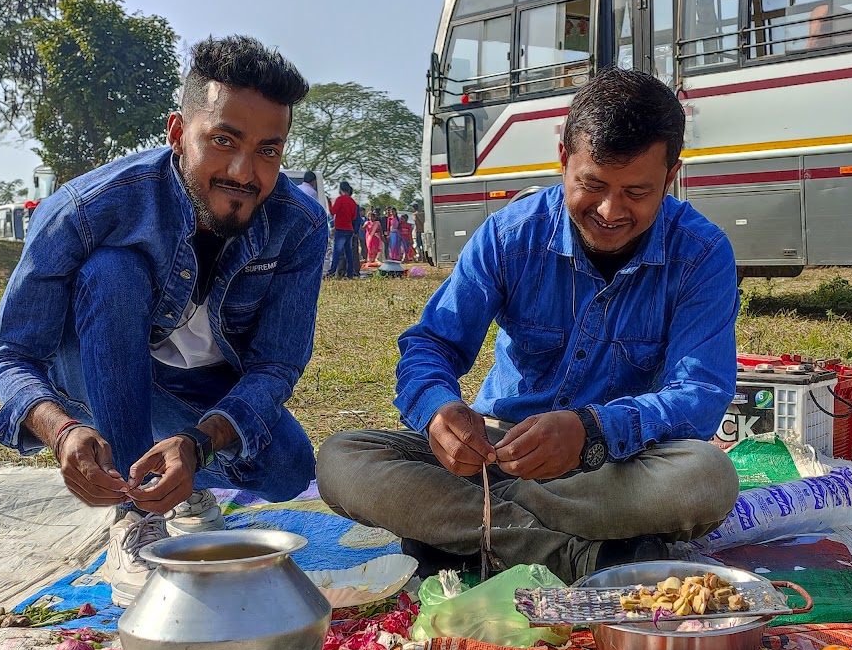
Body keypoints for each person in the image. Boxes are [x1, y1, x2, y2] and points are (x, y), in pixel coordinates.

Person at [317, 68, 741, 582]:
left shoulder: (701, 254)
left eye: (637, 192)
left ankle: (465, 532)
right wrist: (438, 410)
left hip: (614, 466)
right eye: (592, 185)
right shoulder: (510, 236)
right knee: (341, 459)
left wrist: (591, 430)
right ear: (563, 158)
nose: (610, 211)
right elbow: (432, 344)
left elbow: (699, 395)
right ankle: (580, 555)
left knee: (706, 478)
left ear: (670, 177)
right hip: (497, 454)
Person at [0, 35, 325, 605]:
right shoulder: (87, 208)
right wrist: (61, 431)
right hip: (92, 373)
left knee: (289, 469)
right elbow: (14, 355)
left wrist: (198, 443)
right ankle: (134, 513)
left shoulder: (299, 224)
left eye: (268, 150)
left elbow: (276, 365)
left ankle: (175, 479)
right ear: (176, 133)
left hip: (197, 393)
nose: (244, 172)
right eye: (223, 141)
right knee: (113, 271)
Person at [327, 180, 359, 279]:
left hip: (341, 229)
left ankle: (331, 272)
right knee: (348, 253)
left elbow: (332, 212)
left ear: (340, 189)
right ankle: (350, 273)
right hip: (349, 229)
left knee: (336, 252)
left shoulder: (340, 199)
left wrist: (329, 202)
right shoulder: (353, 202)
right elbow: (354, 217)